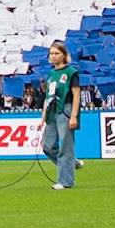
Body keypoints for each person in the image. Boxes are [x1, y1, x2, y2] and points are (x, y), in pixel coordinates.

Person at [39, 40, 80, 191]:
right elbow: (47, 98)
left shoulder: (71, 72)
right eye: (51, 54)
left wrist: (74, 116)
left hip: (66, 109)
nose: (54, 56)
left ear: (64, 55)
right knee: (47, 146)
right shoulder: (51, 74)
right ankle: (72, 163)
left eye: (57, 53)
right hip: (51, 111)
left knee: (66, 147)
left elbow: (76, 95)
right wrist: (42, 118)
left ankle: (65, 181)